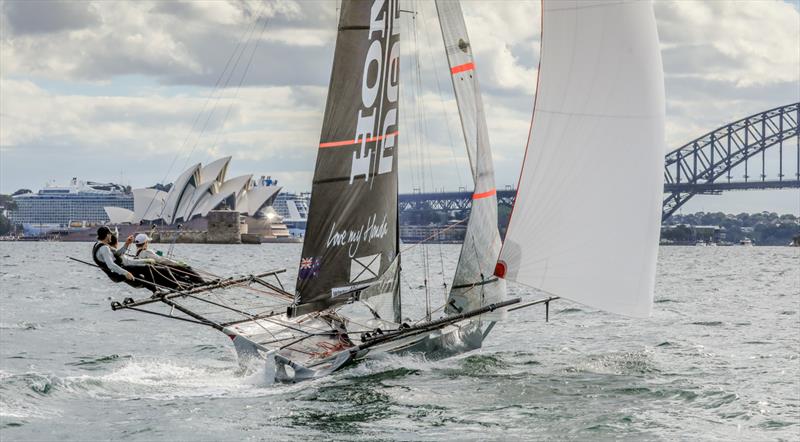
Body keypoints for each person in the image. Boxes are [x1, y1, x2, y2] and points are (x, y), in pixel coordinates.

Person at [133, 233, 205, 288]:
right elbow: (162, 260)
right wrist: (177, 263)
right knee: (186, 268)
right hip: (162, 272)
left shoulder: (137, 254)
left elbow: (156, 256)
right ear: (145, 243)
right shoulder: (147, 252)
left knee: (178, 274)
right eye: (147, 242)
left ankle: (192, 283)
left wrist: (157, 253)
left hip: (157, 275)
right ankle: (202, 282)